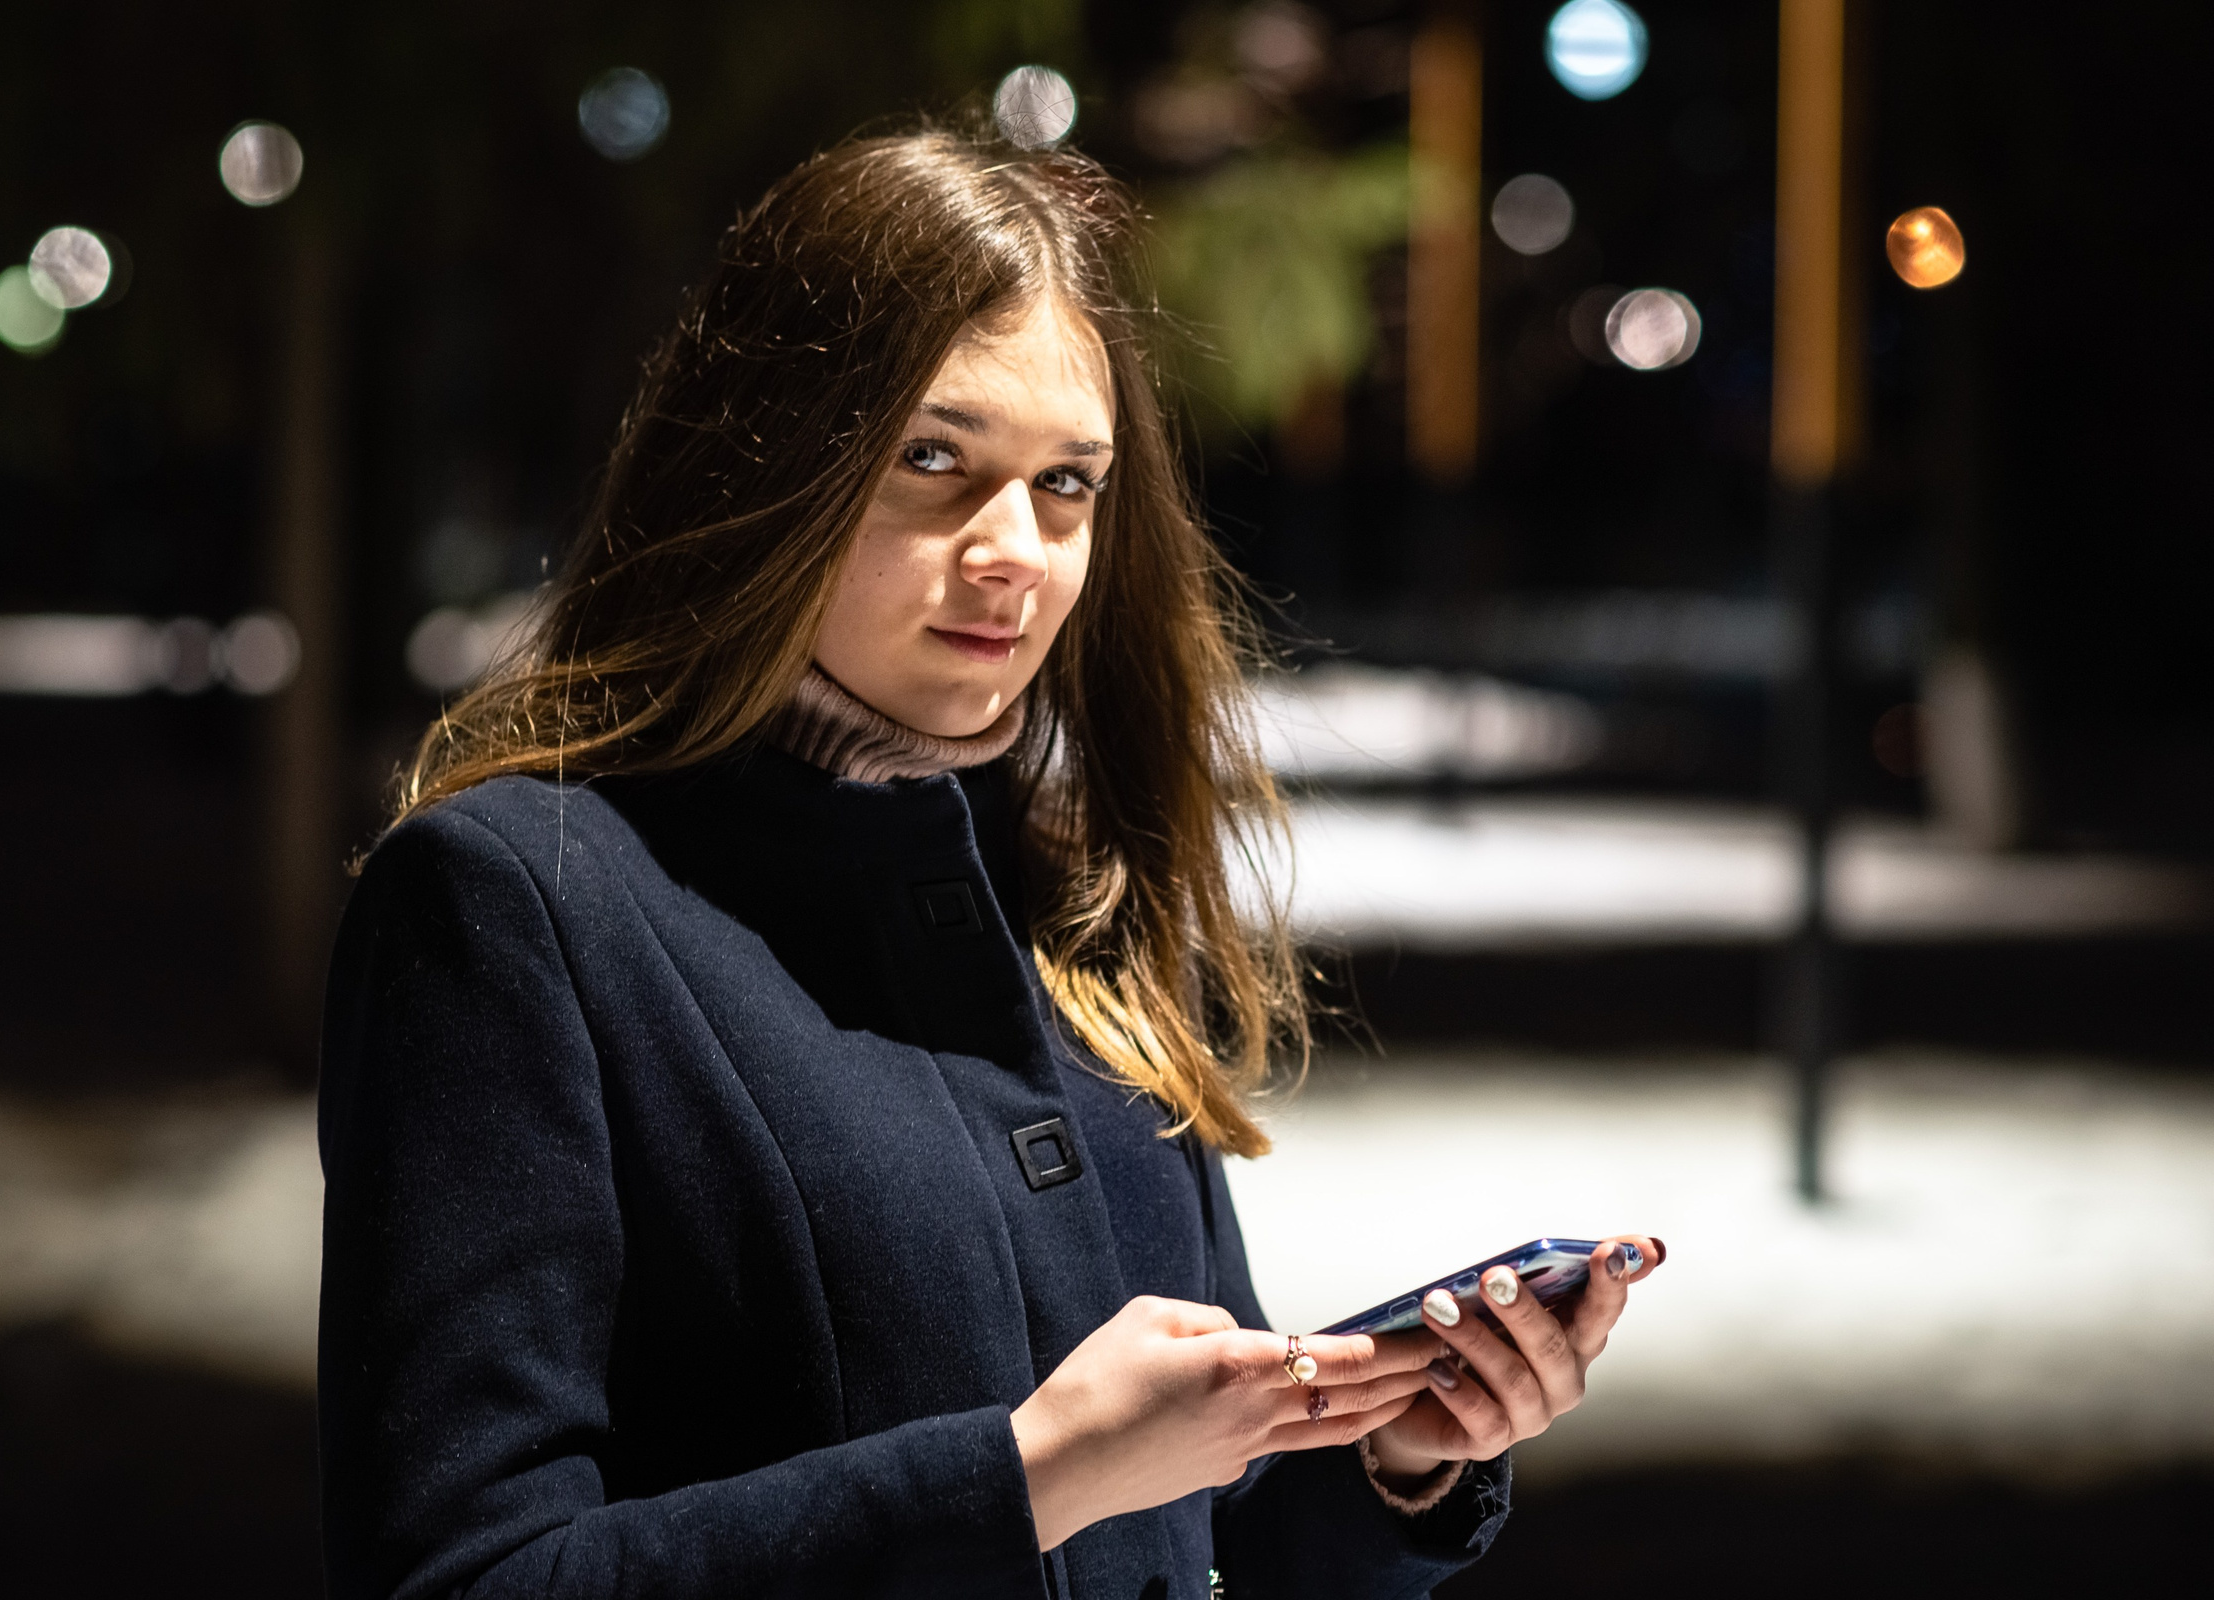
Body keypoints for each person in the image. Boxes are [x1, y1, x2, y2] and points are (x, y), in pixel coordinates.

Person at [317, 124, 1661, 1600]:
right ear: (762, 466)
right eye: (934, 459)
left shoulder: (1072, 894)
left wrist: (1398, 1460)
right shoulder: (515, 904)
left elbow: (1195, 1542)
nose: (1015, 546)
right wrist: (1027, 1477)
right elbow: (465, 1579)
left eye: (1067, 483)